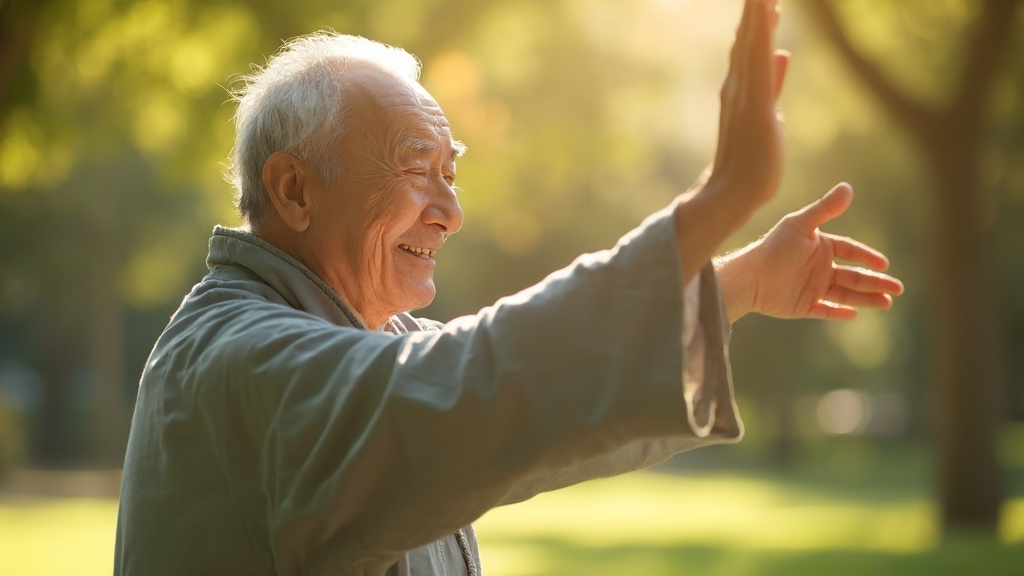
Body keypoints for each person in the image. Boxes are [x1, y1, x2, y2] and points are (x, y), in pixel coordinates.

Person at [114, 1, 904, 575]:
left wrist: (736, 282)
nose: (452, 213)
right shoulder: (232, 360)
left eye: (452, 174)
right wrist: (714, 204)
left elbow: (547, 397)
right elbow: (481, 382)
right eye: (417, 168)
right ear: (294, 191)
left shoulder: (360, 339)